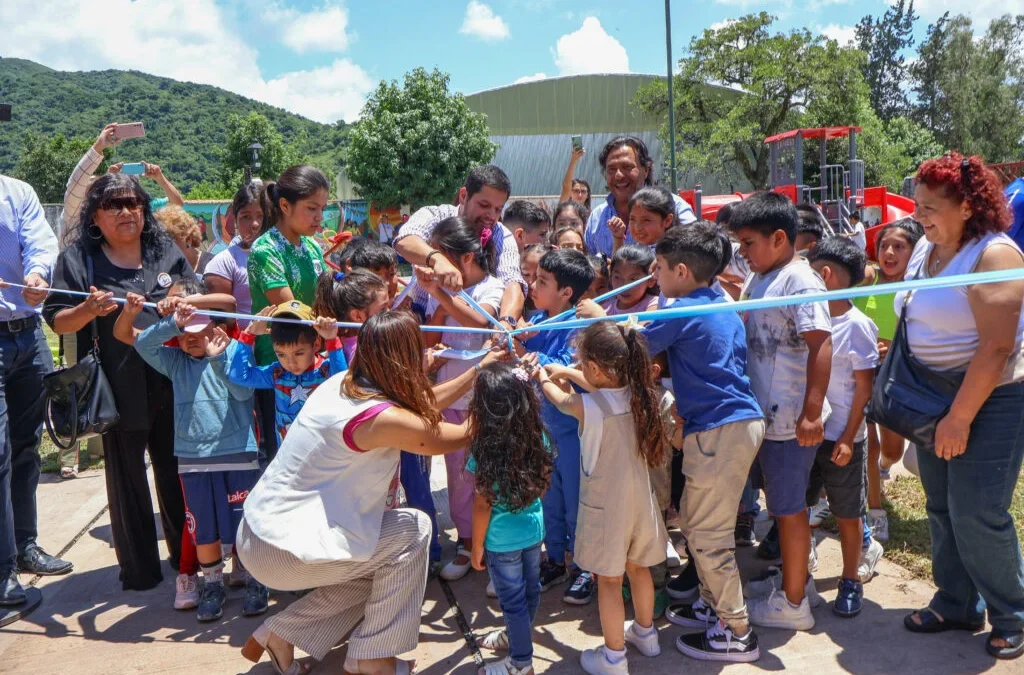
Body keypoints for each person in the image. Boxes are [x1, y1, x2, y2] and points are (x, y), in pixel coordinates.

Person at [236, 311, 493, 675]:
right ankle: (372, 657)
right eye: (419, 349)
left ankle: (282, 633)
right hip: (283, 549)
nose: (426, 355)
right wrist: (501, 398)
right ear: (404, 358)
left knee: (382, 565)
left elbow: (420, 407)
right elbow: (445, 436)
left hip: (262, 535)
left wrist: (480, 369)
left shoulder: (344, 383)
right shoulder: (377, 417)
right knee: (413, 531)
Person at [587, 223, 766, 662]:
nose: (655, 276)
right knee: (698, 521)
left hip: (720, 428)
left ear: (681, 271)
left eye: (660, 268)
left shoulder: (682, 310)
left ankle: (737, 631)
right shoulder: (717, 302)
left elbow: (625, 348)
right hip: (730, 424)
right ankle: (713, 605)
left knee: (707, 535)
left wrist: (597, 317)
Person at [900, 154, 1024, 661]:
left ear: (969, 205)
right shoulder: (927, 248)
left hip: (990, 398)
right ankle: (956, 603)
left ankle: (1013, 613)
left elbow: (996, 349)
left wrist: (959, 417)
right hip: (934, 396)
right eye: (917, 204)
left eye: (930, 206)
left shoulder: (995, 255)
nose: (919, 215)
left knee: (978, 511)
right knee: (941, 505)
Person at [44, 173, 192, 591]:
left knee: (176, 471)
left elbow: (189, 285)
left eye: (134, 203)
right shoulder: (77, 260)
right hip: (116, 384)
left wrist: (180, 294)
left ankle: (190, 562)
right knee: (127, 482)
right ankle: (140, 571)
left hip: (169, 379)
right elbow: (57, 319)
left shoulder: (163, 248)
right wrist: (89, 310)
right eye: (114, 205)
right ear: (95, 216)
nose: (127, 212)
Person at [535, 321, 668, 675]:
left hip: (607, 509)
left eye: (581, 364)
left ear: (594, 369)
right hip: (641, 504)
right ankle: (646, 634)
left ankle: (613, 658)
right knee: (638, 569)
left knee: (608, 581)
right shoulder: (639, 393)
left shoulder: (588, 407)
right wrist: (567, 369)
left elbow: (560, 398)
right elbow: (599, 386)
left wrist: (543, 375)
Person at [729, 191, 833, 631]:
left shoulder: (800, 281)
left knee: (789, 511)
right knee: (781, 507)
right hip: (769, 419)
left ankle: (794, 607)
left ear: (778, 238)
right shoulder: (763, 275)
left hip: (791, 422)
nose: (743, 253)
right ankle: (796, 581)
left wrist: (810, 414)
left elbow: (821, 344)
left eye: (748, 244)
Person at [129, 295, 267, 622]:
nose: (192, 337)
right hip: (193, 459)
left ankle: (255, 580)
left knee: (245, 524)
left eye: (198, 329)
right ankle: (212, 584)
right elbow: (143, 346)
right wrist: (171, 323)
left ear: (214, 327)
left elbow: (244, 393)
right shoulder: (175, 362)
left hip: (237, 455)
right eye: (185, 332)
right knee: (203, 527)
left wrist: (219, 359)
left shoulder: (233, 351)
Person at [418, 216, 506, 582]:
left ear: (466, 258)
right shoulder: (438, 291)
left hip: (484, 400)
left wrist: (439, 294)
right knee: (458, 477)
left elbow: (480, 323)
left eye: (441, 258)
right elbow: (435, 329)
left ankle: (497, 545)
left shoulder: (493, 288)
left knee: (488, 474)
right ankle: (468, 543)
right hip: (450, 397)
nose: (435, 266)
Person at [0, 173, 71, 607]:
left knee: (27, 446)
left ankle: (24, 546)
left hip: (28, 335)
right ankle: (3, 569)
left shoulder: (17, 191)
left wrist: (39, 273)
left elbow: (40, 242)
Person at [804, 237, 884, 616]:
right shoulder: (808, 318)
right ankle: (799, 575)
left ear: (825, 275)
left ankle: (850, 580)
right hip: (808, 436)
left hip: (842, 438)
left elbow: (863, 389)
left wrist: (850, 438)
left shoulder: (857, 325)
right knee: (799, 508)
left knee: (848, 514)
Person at [515, 249, 596, 604]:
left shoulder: (578, 329)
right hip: (543, 434)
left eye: (543, 282)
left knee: (577, 503)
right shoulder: (535, 321)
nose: (533, 286)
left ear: (567, 292)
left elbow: (568, 373)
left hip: (574, 435)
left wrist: (531, 354)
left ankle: (583, 566)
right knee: (549, 500)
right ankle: (555, 559)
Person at [468, 362, 553, 675]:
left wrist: (477, 547)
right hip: (533, 532)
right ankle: (517, 638)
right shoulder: (538, 436)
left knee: (513, 602)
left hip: (501, 542)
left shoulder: (485, 447)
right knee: (530, 593)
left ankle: (521, 664)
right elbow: (545, 479)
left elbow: (482, 505)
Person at [854, 217, 923, 542]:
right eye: (884, 246)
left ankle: (882, 467)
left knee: (892, 451)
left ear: (915, 251)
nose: (890, 252)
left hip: (898, 373)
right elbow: (857, 272)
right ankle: (875, 510)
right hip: (863, 372)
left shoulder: (921, 284)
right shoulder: (869, 278)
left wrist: (893, 346)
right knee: (868, 442)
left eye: (899, 246)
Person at [394, 166, 526, 325]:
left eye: (498, 209)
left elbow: (512, 282)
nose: (491, 216)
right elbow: (405, 240)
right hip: (425, 323)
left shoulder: (501, 235)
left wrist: (506, 322)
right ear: (463, 196)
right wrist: (438, 260)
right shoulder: (435, 215)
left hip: (476, 337)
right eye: (484, 205)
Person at [225, 301, 348, 442]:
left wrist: (332, 340)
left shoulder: (326, 370)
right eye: (281, 355)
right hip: (288, 457)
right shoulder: (278, 373)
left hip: (324, 454)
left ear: (316, 344)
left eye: (299, 353)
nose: (291, 363)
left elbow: (343, 382)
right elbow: (238, 376)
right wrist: (248, 335)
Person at [247, 165, 330, 368]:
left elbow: (325, 300)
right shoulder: (265, 250)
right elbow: (292, 313)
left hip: (315, 357)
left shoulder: (312, 246)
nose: (319, 217)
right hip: (279, 366)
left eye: (322, 208)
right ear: (285, 206)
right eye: (312, 208)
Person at [61, 123, 183, 244]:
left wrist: (160, 178)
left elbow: (177, 204)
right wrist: (98, 148)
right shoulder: (74, 214)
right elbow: (76, 183)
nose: (125, 212)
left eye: (132, 203)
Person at [584, 137, 695, 257]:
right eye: (611, 169)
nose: (618, 175)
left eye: (627, 167)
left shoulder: (675, 207)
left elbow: (694, 256)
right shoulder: (597, 218)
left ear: (645, 170)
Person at [204, 182, 266, 329]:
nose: (255, 224)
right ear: (235, 221)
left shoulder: (285, 255)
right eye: (246, 217)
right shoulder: (223, 263)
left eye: (261, 216)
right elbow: (222, 324)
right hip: (243, 348)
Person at [312, 270, 390, 364]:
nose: (389, 311)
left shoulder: (350, 341)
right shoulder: (363, 350)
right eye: (382, 309)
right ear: (357, 316)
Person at [158, 205, 215, 275]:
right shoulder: (163, 271)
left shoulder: (212, 266)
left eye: (170, 242)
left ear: (188, 239)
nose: (164, 248)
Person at [559, 145, 591, 209]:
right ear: (570, 193)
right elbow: (566, 187)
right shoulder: (565, 209)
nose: (580, 195)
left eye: (583, 191)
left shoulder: (592, 215)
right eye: (576, 191)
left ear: (587, 195)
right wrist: (574, 160)